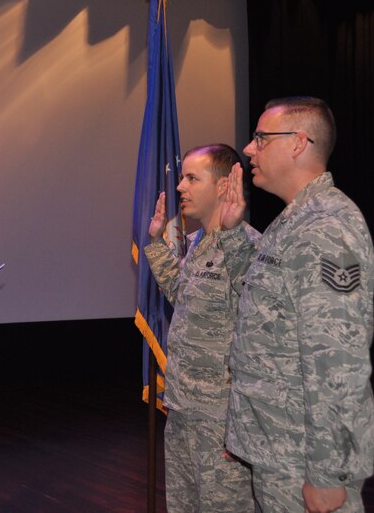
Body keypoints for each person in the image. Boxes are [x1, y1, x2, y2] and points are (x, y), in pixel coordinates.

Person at [222, 96, 374, 513]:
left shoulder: (325, 228)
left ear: (297, 142)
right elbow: (266, 318)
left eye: (260, 138)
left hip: (304, 458)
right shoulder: (292, 222)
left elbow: (338, 360)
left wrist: (329, 474)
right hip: (279, 450)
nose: (249, 149)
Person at [144, 143, 260, 512]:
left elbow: (259, 330)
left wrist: (240, 427)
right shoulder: (196, 243)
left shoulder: (248, 249)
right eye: (182, 178)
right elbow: (184, 297)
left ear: (225, 186)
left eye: (192, 178)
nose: (180, 187)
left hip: (220, 420)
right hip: (183, 408)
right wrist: (156, 243)